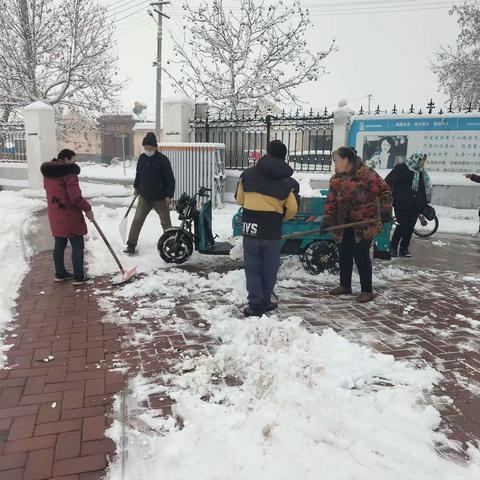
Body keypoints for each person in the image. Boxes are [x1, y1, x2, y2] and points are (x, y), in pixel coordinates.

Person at [235, 140, 300, 317]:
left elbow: (240, 200)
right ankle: (265, 301)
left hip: (251, 228)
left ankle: (255, 304)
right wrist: (282, 217)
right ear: (284, 156)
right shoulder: (287, 182)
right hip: (272, 230)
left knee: (253, 267)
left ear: (267, 153)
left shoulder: (247, 175)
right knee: (269, 267)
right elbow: (293, 208)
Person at [323, 147, 393, 303]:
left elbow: (385, 189)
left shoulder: (366, 174)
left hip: (363, 224)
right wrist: (327, 218)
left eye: (336, 160)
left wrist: (386, 209)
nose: (334, 164)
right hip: (343, 224)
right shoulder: (336, 178)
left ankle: (367, 290)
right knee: (344, 253)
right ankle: (345, 285)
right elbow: (331, 201)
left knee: (361, 255)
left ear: (346, 160)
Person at [40, 149, 94, 285]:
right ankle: (79, 277)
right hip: (69, 214)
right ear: (66, 159)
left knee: (60, 243)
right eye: (73, 160)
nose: (74, 163)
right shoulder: (69, 173)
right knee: (77, 244)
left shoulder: (48, 173)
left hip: (55, 214)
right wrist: (88, 209)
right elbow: (75, 197)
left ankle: (60, 273)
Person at [124, 132, 176, 255]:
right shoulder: (142, 158)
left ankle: (171, 244)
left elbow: (170, 179)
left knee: (165, 222)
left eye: (150, 148)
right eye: (146, 148)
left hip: (160, 198)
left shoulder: (163, 160)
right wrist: (136, 187)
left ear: (155, 147)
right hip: (144, 197)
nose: (147, 150)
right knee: (137, 220)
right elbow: (138, 174)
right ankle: (131, 245)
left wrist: (169, 195)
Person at [386, 152, 432, 257]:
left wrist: (424, 204)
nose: (423, 163)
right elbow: (388, 182)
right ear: (416, 159)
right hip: (401, 203)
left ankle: (404, 248)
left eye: (424, 161)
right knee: (402, 225)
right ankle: (393, 246)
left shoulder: (421, 172)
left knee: (410, 226)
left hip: (415, 205)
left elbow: (423, 189)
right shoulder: (401, 168)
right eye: (422, 160)